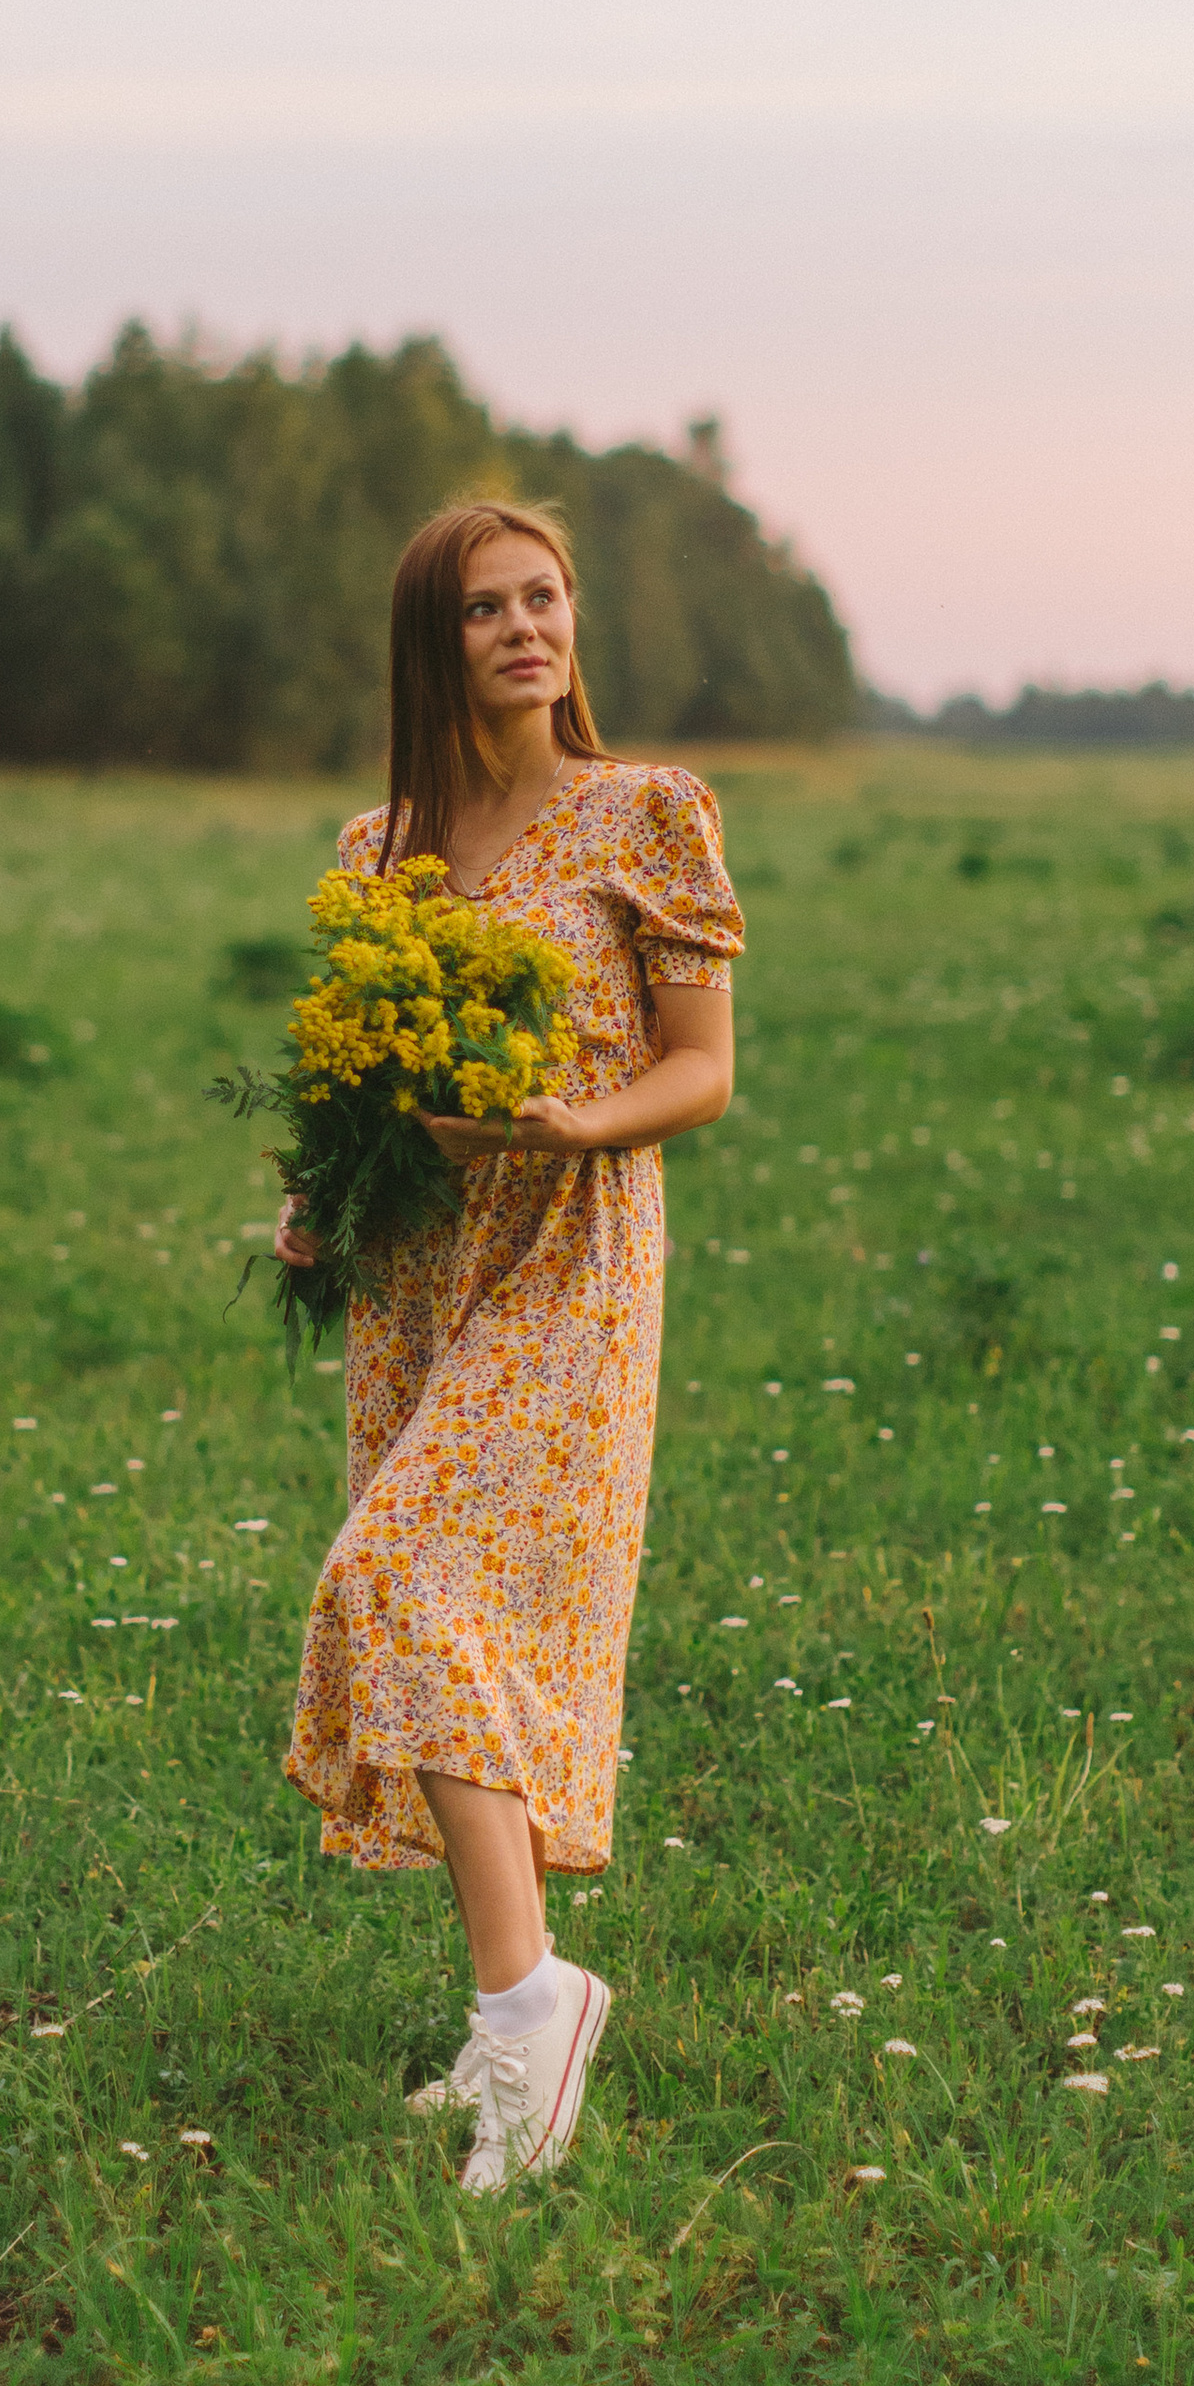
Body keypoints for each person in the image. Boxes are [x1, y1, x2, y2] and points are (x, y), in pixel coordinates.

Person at [278, 499, 741, 2192]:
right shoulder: (377, 848)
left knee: (402, 1580)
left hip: (574, 1257)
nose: (528, 630)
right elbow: (357, 1079)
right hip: (421, 1275)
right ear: (436, 640)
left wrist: (569, 1128)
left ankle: (535, 2005)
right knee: (457, 1621)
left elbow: (703, 1070)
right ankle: (501, 2028)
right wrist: (319, 1194)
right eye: (489, 609)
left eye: (547, 598)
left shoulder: (648, 814)